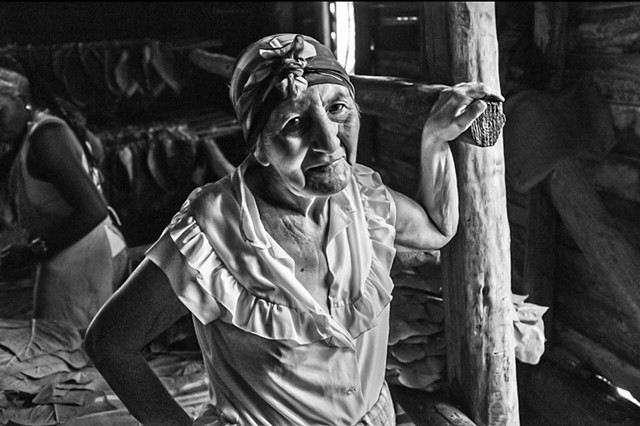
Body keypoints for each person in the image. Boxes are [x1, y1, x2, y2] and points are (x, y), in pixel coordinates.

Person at [84, 33, 503, 426]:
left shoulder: (363, 197)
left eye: (338, 109)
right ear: (259, 148)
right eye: (295, 125)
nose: (330, 142)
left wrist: (434, 140)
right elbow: (110, 343)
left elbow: (436, 228)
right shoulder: (214, 229)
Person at [0, 55, 129, 332]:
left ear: (23, 99)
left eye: (0, 111)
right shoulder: (41, 132)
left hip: (84, 261)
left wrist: (32, 251)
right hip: (86, 254)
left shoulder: (46, 137)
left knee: (72, 356)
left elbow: (94, 210)